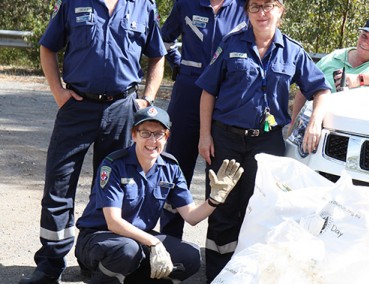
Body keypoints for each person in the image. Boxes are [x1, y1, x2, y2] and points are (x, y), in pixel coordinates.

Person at [20, 0, 166, 283]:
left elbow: (157, 55)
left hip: (123, 109)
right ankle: (50, 264)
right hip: (77, 106)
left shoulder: (143, 6)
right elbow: (47, 47)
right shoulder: (74, 3)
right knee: (58, 184)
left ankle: (95, 260)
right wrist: (58, 92)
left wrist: (147, 98)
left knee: (111, 189)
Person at [195, 0, 331, 281]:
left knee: (260, 209)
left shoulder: (292, 50)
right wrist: (205, 135)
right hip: (227, 140)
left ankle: (248, 274)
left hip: (267, 144)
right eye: (255, 6)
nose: (262, 12)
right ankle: (218, 276)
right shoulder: (231, 44)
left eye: (268, 5)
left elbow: (320, 89)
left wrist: (314, 121)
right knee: (222, 206)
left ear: (281, 10)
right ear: (247, 12)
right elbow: (208, 92)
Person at [74, 106, 244, 283]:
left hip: (138, 238)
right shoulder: (114, 165)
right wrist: (154, 243)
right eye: (145, 133)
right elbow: (113, 222)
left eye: (158, 134)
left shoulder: (171, 168)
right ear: (134, 135)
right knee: (127, 250)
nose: (152, 140)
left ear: (167, 137)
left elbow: (192, 216)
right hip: (99, 237)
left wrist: (215, 199)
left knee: (190, 256)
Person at [159, 0, 249, 239]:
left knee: (223, 172)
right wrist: (178, 64)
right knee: (175, 168)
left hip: (226, 96)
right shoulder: (186, 4)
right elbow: (164, 40)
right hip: (188, 93)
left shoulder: (244, 7)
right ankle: (169, 242)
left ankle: (219, 251)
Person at [290, 16, 369, 128]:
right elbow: (303, 91)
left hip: (356, 131)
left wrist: (360, 79)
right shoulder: (335, 56)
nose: (365, 43)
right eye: (364, 36)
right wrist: (292, 125)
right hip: (312, 127)